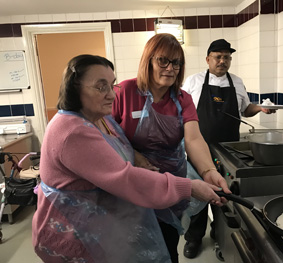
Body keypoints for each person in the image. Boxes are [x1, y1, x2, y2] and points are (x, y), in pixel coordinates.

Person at [31, 54, 226, 263]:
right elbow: (125, 178)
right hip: (75, 233)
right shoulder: (72, 131)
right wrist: (189, 187)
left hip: (99, 225)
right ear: (74, 88)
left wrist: (207, 171)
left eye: (111, 85)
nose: (112, 95)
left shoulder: (100, 119)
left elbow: (192, 139)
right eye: (100, 86)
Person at [111, 33, 231, 263]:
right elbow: (105, 134)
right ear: (148, 60)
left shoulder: (182, 99)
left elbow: (194, 140)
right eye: (163, 60)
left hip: (171, 187)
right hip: (134, 186)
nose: (170, 68)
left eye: (176, 63)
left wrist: (208, 172)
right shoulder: (124, 92)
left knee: (167, 248)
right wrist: (134, 155)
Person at [181, 39, 275, 259]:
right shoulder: (193, 81)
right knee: (199, 195)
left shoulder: (237, 82)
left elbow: (246, 110)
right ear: (208, 59)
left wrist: (260, 108)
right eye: (218, 56)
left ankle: (219, 233)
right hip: (199, 149)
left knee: (225, 195)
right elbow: (181, 112)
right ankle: (194, 238)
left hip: (228, 149)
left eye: (227, 57)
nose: (223, 61)